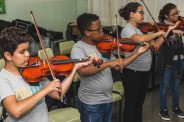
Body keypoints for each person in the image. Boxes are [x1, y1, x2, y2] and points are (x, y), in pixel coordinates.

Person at [0, 27, 93, 122]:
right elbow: (16, 111)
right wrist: (45, 90)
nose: (28, 54)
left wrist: (74, 69)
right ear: (8, 55)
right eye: (22, 52)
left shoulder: (34, 71)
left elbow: (58, 94)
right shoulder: (3, 79)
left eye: (27, 50)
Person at [70, 13, 150, 122]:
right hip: (91, 104)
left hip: (107, 99)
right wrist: (108, 63)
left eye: (101, 27)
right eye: (98, 30)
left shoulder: (104, 46)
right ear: (87, 32)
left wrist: (138, 53)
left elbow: (118, 66)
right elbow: (82, 71)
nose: (102, 31)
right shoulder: (78, 48)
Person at [118, 2, 179, 122]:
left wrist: (167, 31)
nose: (143, 14)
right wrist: (157, 32)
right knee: (131, 104)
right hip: (132, 72)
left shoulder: (141, 30)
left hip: (143, 71)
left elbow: (156, 45)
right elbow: (139, 39)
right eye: (141, 12)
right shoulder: (128, 30)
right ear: (132, 14)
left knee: (139, 104)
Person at [156, 3, 184, 120]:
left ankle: (176, 107)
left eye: (178, 12)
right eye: (174, 14)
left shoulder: (180, 24)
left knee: (177, 85)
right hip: (167, 60)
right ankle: (163, 109)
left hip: (180, 58)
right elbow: (158, 43)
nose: (177, 15)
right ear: (166, 15)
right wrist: (171, 31)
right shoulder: (161, 27)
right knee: (165, 85)